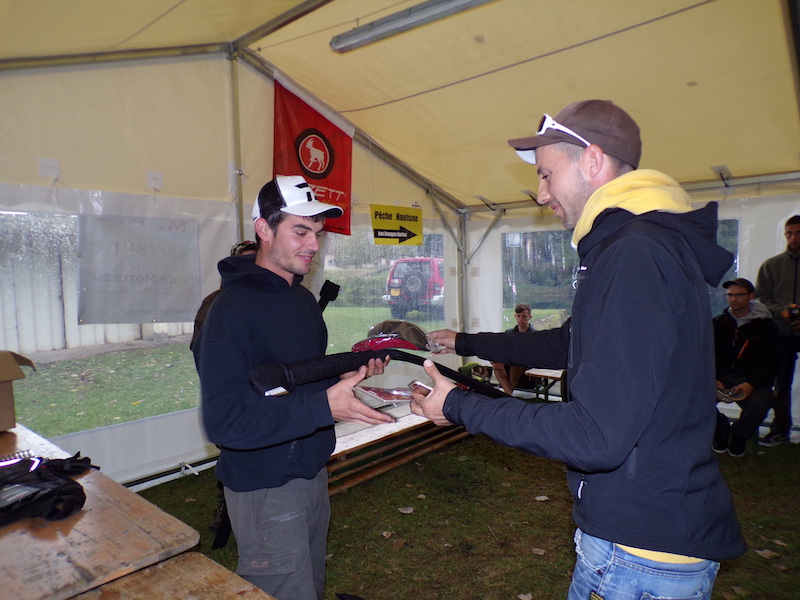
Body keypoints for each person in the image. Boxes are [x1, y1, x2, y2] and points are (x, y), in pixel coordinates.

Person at [411, 100, 746, 600]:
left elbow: (595, 436)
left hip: (638, 554)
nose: (541, 193)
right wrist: (466, 343)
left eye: (547, 175)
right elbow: (571, 341)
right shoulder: (640, 243)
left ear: (592, 160)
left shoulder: (634, 253)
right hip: (649, 538)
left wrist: (459, 406)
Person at [192, 175, 394, 600]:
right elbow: (226, 422)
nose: (313, 245)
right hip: (264, 485)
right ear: (263, 229)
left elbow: (301, 380)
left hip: (312, 470)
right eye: (300, 231)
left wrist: (347, 378)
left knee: (310, 587)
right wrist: (324, 407)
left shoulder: (302, 300)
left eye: (317, 232)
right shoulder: (230, 310)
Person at [712, 278, 780, 457]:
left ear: (751, 296)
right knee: (694, 399)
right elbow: (705, 356)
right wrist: (713, 379)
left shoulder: (766, 326)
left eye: (739, 295)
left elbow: (772, 362)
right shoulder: (717, 323)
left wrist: (751, 384)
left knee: (762, 402)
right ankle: (720, 430)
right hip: (721, 377)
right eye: (730, 295)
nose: (734, 299)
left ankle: (739, 436)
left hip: (752, 379)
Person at [754, 215, 800, 447]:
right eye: (789, 233)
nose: (794, 238)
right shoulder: (771, 266)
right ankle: (780, 430)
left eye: (798, 233)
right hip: (781, 334)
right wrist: (781, 312)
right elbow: (760, 299)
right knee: (781, 384)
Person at [189, 240, 257, 352]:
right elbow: (199, 346)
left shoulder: (273, 298)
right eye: (243, 262)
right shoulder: (213, 301)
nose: (249, 268)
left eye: (253, 262)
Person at [491, 303, 536, 394]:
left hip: (526, 368)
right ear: (515, 316)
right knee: (497, 365)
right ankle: (509, 394)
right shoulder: (509, 333)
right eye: (518, 316)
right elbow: (500, 348)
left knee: (517, 361)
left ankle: (508, 393)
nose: (521, 319)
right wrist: (495, 361)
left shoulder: (534, 335)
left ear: (529, 317)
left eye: (524, 316)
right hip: (509, 364)